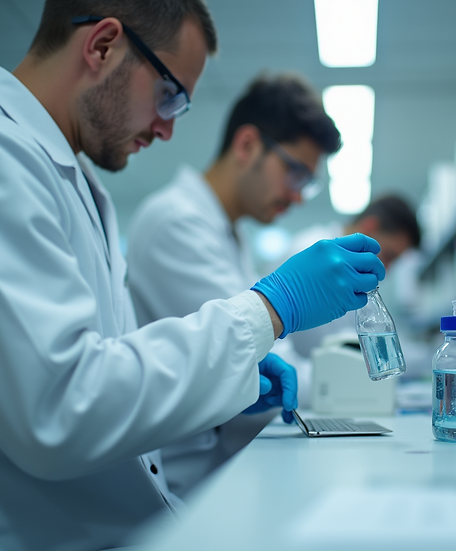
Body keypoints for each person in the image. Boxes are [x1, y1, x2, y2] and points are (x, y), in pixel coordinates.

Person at [0, 1, 385, 550]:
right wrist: (271, 309)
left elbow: (107, 370)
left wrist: (232, 382)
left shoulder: (63, 177)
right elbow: (60, 409)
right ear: (102, 46)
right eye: (169, 95)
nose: (167, 128)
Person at [125, 72, 341, 497]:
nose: (298, 195)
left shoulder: (227, 231)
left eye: (307, 183)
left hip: (218, 468)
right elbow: (250, 352)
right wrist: (370, 382)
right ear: (247, 145)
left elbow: (259, 363)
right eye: (295, 172)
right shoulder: (177, 222)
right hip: (183, 486)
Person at [287, 194, 422, 358]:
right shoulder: (311, 253)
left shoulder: (353, 273)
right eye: (388, 256)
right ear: (370, 227)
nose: (386, 269)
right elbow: (341, 348)